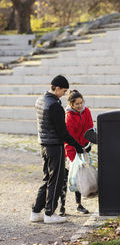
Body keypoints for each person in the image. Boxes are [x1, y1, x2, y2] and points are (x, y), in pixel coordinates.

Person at [30, 75, 84, 224]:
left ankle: (35, 212)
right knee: (56, 180)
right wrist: (77, 145)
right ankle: (49, 214)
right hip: (55, 147)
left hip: (44, 145)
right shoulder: (54, 105)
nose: (65, 94)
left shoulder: (40, 100)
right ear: (57, 88)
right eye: (64, 91)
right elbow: (63, 132)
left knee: (46, 178)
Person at [59, 89, 95, 216]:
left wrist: (88, 144)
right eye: (77, 104)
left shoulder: (87, 111)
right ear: (71, 104)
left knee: (79, 176)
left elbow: (90, 128)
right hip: (71, 149)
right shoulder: (68, 116)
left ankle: (78, 204)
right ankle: (61, 206)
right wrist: (73, 153)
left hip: (83, 147)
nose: (80, 106)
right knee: (66, 177)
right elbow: (68, 136)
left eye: (81, 103)